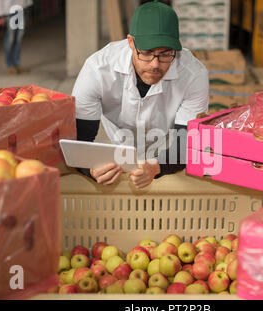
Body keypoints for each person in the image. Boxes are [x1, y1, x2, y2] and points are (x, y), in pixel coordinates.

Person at [72, 0, 209, 189]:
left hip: (165, 143)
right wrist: (90, 169)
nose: (155, 64)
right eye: (146, 52)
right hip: (117, 139)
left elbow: (188, 143)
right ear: (130, 42)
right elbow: (79, 139)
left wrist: (157, 165)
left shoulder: (193, 75)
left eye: (165, 53)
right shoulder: (98, 69)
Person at [0, 0, 33, 74]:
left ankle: (17, 63)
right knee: (10, 38)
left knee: (19, 37)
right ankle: (10, 65)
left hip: (22, 7)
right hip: (9, 10)